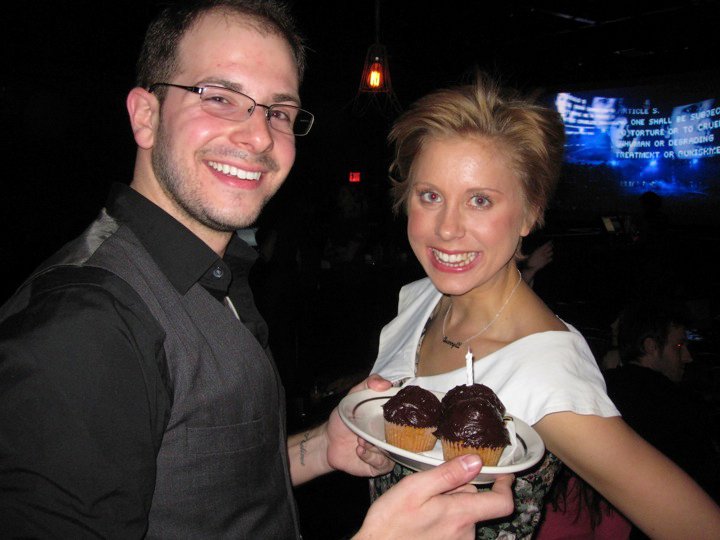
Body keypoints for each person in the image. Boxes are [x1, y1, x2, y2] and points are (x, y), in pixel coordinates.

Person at [0, 2, 515, 538]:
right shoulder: (85, 322)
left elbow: (196, 488)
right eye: (219, 98)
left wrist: (319, 448)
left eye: (278, 112)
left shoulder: (212, 276)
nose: (259, 137)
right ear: (145, 116)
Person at [368, 72, 720, 538]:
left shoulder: (547, 368)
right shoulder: (419, 297)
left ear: (531, 211)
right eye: (430, 195)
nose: (446, 229)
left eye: (480, 200)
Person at [605, 300, 720, 505]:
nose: (687, 357)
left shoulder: (601, 389)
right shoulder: (681, 406)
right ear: (651, 347)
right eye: (678, 346)